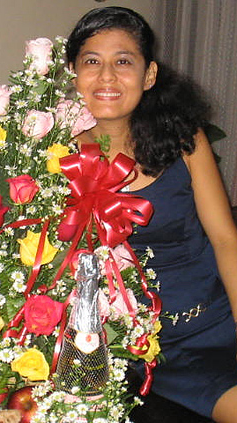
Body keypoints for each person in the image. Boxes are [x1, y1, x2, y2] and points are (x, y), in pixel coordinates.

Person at [66, 6, 237, 423]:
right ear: (73, 71)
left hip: (219, 317)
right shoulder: (54, 154)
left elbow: (225, 240)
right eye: (92, 61)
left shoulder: (183, 137)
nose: (107, 76)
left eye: (123, 61)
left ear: (148, 75)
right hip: (148, 350)